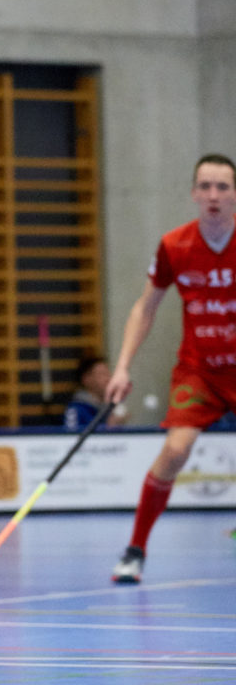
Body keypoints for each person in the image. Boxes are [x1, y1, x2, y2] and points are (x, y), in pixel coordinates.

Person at [106, 153, 236, 584]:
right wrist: (122, 367)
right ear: (194, 194)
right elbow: (146, 308)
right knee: (176, 451)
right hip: (199, 371)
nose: (214, 195)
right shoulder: (175, 245)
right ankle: (135, 550)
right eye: (206, 186)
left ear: (234, 194)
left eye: (223, 187)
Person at [63, 355, 128, 432]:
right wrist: (108, 426)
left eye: (108, 374)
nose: (108, 379)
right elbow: (71, 437)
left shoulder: (108, 408)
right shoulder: (76, 410)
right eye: (102, 374)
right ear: (87, 379)